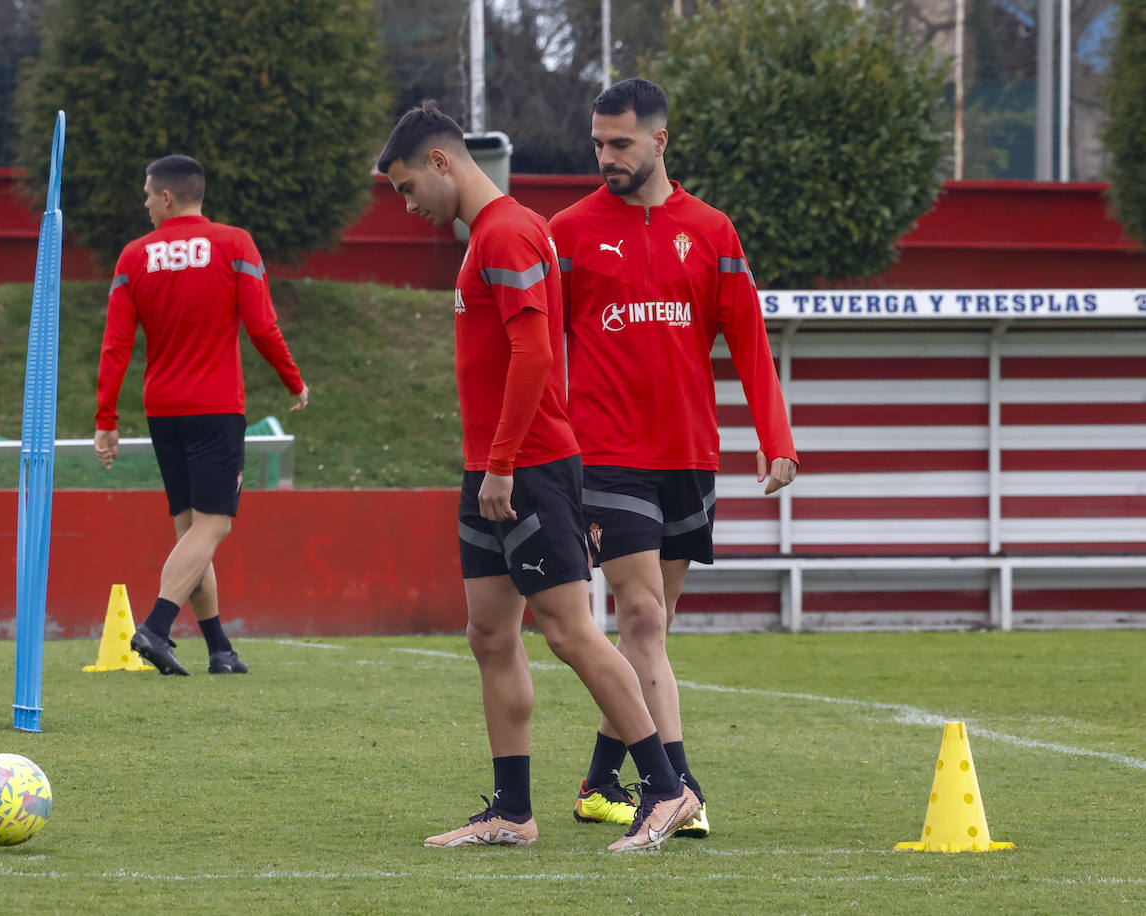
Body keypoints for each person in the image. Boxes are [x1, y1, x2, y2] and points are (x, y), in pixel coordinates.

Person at [378, 102, 700, 852]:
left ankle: (665, 789)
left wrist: (498, 464)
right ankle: (513, 811)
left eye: (403, 187)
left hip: (525, 468)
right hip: (489, 469)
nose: (407, 204)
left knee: (569, 631)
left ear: (441, 162)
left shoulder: (509, 230)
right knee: (490, 635)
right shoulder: (485, 238)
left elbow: (534, 356)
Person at [550, 78, 799, 839]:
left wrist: (777, 438)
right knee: (644, 618)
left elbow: (749, 341)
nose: (605, 157)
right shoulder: (565, 232)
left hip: (688, 456)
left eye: (620, 143)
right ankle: (676, 783)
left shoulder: (714, 232)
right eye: (597, 143)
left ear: (660, 141)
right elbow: (534, 347)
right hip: (606, 457)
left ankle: (600, 781)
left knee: (642, 637)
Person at [94, 154, 308, 676]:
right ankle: (156, 627)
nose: (145, 204)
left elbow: (117, 344)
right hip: (216, 407)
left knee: (192, 530)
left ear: (167, 197)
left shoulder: (133, 257)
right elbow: (262, 325)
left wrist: (106, 417)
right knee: (213, 527)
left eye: (147, 194)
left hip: (162, 410)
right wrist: (292, 379)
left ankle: (219, 649)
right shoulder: (234, 244)